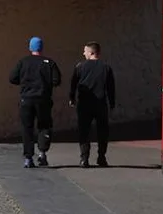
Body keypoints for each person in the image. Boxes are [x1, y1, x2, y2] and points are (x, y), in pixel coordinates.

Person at [8, 36, 62, 168]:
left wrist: (25, 83)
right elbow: (56, 81)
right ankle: (42, 153)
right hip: (43, 99)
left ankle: (28, 158)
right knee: (44, 126)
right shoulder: (49, 63)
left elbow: (12, 78)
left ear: (30, 48)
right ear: (42, 48)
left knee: (27, 128)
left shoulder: (23, 62)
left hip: (26, 99)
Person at [69, 41, 117, 168]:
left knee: (84, 130)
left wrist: (72, 98)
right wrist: (112, 103)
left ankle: (84, 158)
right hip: (100, 104)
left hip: (84, 104)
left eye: (85, 51)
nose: (83, 53)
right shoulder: (106, 68)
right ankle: (101, 157)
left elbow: (73, 84)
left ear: (91, 52)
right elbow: (111, 88)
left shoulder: (80, 66)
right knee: (102, 131)